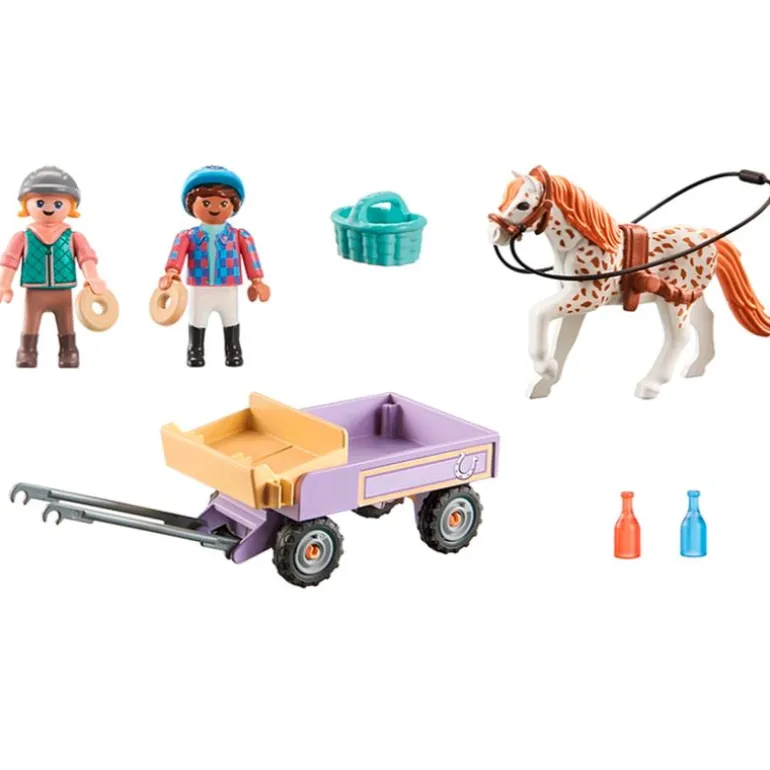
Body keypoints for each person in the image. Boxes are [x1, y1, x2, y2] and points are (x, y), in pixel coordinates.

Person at [158, 166, 270, 366]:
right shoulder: (188, 237)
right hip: (200, 287)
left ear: (233, 205)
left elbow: (251, 258)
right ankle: (195, 351)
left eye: (223, 203)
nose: (214, 208)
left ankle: (233, 351)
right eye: (206, 202)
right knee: (198, 320)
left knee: (231, 319)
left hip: (228, 286)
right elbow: (176, 256)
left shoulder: (239, 236)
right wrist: (172, 273)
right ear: (191, 204)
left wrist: (257, 280)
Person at [0, 166, 109, 368]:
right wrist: (4, 283)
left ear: (71, 206)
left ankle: (69, 350)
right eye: (40, 202)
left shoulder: (73, 236)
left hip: (63, 291)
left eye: (58, 203)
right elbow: (10, 260)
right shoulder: (23, 237)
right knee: (30, 321)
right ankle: (27, 351)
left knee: (66, 321)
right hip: (35, 292)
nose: (48, 208)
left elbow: (86, 258)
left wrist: (92, 277)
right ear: (26, 205)